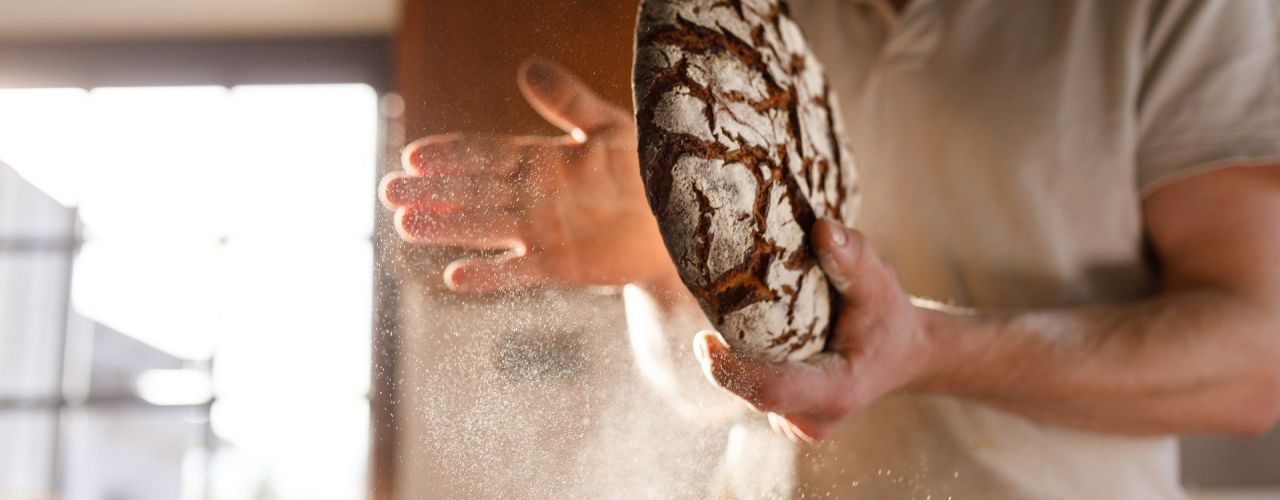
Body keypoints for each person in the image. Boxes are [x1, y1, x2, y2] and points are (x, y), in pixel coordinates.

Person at [379, 1, 1280, 498]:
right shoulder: (743, 24)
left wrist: (925, 352)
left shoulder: (1183, 12)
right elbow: (722, 397)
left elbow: (1256, 362)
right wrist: (668, 264)